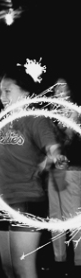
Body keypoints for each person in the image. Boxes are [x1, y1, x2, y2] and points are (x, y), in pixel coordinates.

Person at [0, 66, 67, 278]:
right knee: (9, 269)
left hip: (27, 203)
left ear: (27, 92)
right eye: (0, 90)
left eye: (8, 89)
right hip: (2, 201)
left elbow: (53, 148)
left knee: (25, 270)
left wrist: (53, 157)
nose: (2, 95)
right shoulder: (1, 122)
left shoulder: (35, 119)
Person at [48, 76, 81, 266]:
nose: (59, 93)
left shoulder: (75, 112)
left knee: (73, 215)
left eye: (63, 89)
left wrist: (51, 126)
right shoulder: (54, 112)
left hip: (71, 170)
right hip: (56, 170)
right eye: (56, 89)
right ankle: (58, 260)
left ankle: (78, 262)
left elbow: (67, 138)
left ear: (71, 91)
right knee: (55, 217)